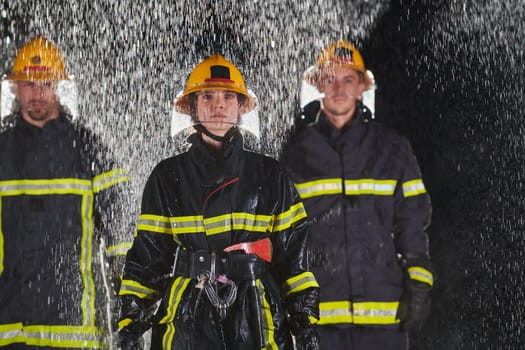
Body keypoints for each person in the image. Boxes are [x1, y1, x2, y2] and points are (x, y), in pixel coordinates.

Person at [117, 54, 320, 350]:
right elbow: (147, 257)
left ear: (240, 107)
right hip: (187, 317)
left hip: (257, 317)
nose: (218, 105)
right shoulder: (167, 176)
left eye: (228, 96)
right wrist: (131, 323)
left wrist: (305, 321)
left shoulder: (271, 175)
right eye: (207, 96)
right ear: (192, 107)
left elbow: (294, 258)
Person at [281, 40, 434, 350]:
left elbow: (412, 221)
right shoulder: (295, 156)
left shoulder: (393, 149)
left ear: (362, 87)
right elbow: (285, 235)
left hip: (382, 316)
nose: (339, 88)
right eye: (330, 78)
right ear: (318, 86)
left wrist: (419, 281)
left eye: (349, 79)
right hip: (320, 321)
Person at [0, 36, 131, 348]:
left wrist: (128, 321)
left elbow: (122, 247)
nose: (37, 92)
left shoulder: (90, 151)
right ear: (15, 88)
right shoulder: (2, 152)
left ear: (59, 85)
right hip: (10, 331)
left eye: (45, 82)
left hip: (77, 332)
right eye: (28, 83)